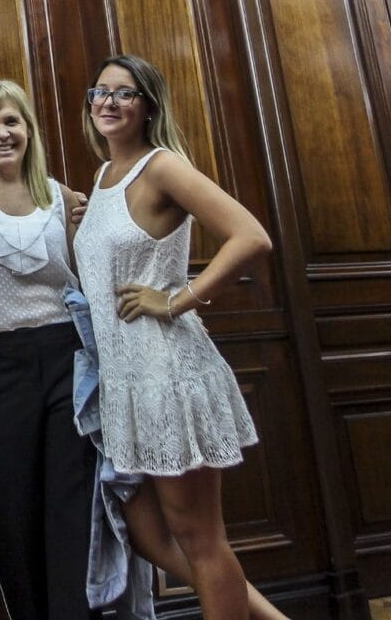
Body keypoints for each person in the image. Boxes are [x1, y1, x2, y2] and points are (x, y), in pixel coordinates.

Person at [73, 54, 288, 620]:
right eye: (101, 92)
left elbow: (251, 236)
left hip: (168, 374)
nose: (109, 102)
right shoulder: (101, 178)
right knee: (148, 535)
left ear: (148, 107)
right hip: (126, 383)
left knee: (201, 540)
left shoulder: (161, 166)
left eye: (125, 93)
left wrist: (176, 299)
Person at [0, 79, 97, 620]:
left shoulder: (65, 197)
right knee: (11, 509)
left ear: (29, 130)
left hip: (65, 357)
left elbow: (88, 280)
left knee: (68, 503)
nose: (1, 133)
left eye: (11, 122)